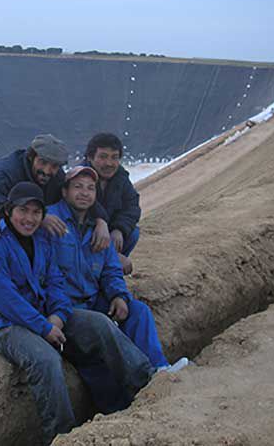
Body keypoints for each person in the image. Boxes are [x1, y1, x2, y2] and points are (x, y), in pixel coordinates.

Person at [0, 182, 154, 445]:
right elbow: (5, 300)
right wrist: (44, 328)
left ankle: (146, 382)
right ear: (8, 211)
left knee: (100, 324)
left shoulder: (41, 240)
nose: (29, 219)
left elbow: (55, 282)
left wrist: (58, 315)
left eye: (36, 212)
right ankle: (62, 436)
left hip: (42, 313)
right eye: (23, 211)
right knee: (45, 359)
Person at [47, 166, 188, 412]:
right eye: (77, 187)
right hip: (64, 307)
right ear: (64, 191)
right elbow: (44, 275)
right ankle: (144, 382)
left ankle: (160, 368)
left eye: (90, 188)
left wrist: (118, 295)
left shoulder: (97, 226)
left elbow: (111, 267)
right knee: (97, 344)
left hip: (92, 299)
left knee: (138, 311)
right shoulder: (51, 224)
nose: (84, 193)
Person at [0, 133, 110, 258]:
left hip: (20, 220)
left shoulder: (54, 175)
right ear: (31, 156)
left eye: (54, 166)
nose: (48, 170)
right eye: (43, 162)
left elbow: (75, 197)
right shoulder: (2, 175)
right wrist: (40, 218)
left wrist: (101, 221)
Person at [84, 133, 140, 274]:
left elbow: (132, 206)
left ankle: (111, 271)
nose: (109, 163)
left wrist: (119, 229)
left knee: (132, 232)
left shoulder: (120, 177)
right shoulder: (80, 179)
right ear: (90, 158)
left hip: (109, 231)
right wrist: (100, 222)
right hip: (87, 233)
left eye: (114, 157)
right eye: (103, 157)